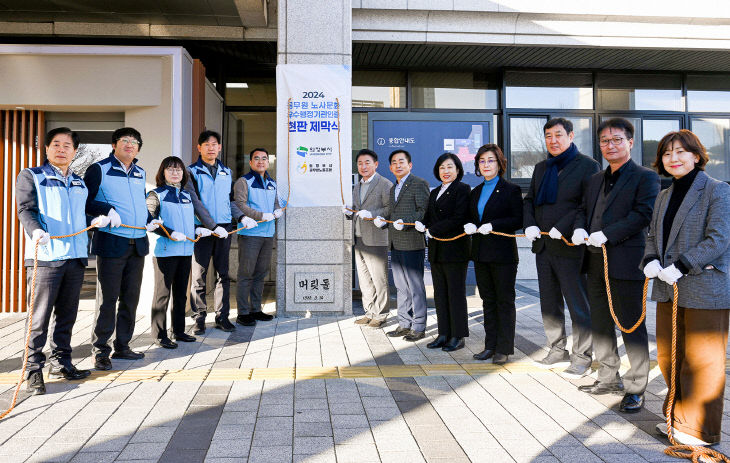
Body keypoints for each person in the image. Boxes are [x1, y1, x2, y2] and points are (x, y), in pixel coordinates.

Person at [642, 129, 730, 446]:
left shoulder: (718, 190)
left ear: (696, 155)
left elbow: (719, 238)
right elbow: (652, 234)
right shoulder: (664, 195)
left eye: (680, 152)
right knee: (669, 356)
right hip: (669, 288)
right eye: (667, 153)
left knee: (703, 361)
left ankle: (700, 431)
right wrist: (650, 259)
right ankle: (676, 419)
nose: (673, 158)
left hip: (705, 287)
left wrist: (682, 264)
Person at [572, 118, 659, 413]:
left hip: (625, 261)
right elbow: (583, 211)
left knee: (631, 326)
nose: (611, 145)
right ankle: (608, 377)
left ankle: (637, 387)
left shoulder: (645, 177)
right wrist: (579, 228)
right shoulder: (595, 179)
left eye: (617, 140)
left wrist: (608, 234)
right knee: (600, 323)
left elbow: (642, 214)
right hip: (594, 261)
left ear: (630, 142)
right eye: (605, 141)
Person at [15, 127, 94, 394]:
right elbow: (26, 208)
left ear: (74, 151)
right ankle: (33, 370)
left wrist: (102, 215)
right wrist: (35, 230)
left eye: (67, 145)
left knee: (67, 316)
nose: (62, 149)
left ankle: (61, 362)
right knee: (39, 318)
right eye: (56, 144)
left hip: (75, 257)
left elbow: (88, 208)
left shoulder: (79, 181)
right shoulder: (32, 176)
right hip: (46, 258)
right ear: (47, 148)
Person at [524, 117, 599, 378]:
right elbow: (530, 200)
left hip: (570, 247)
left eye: (558, 135)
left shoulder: (588, 166)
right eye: (548, 136)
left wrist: (564, 226)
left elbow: (586, 204)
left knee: (578, 303)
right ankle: (557, 349)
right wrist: (529, 224)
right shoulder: (541, 167)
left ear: (570, 135)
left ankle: (582, 356)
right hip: (544, 246)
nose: (553, 141)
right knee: (549, 302)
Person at [84, 127, 162, 370]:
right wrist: (106, 210)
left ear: (139, 148)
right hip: (111, 242)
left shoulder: (140, 172)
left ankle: (123, 345)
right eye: (124, 140)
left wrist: (149, 218)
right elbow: (85, 201)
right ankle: (100, 351)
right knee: (108, 299)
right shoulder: (99, 169)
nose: (130, 145)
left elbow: (139, 202)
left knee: (130, 298)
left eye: (135, 142)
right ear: (114, 144)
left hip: (137, 243)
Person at [185, 130, 251, 335]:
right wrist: (212, 226)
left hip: (225, 228)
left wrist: (241, 217)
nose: (211, 147)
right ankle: (199, 319)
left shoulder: (226, 171)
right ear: (199, 148)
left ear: (220, 147)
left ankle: (222, 317)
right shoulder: (190, 171)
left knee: (224, 274)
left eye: (214, 144)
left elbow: (230, 201)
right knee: (199, 276)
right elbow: (194, 202)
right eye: (206, 144)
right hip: (203, 230)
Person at [464, 144, 523, 364]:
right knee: (487, 301)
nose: (486, 164)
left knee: (504, 302)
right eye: (482, 161)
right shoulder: (476, 191)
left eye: (491, 160)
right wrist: (469, 224)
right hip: (480, 254)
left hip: (503, 255)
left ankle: (504, 348)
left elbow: (517, 220)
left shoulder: (511, 189)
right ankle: (490, 345)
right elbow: (470, 217)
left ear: (499, 163)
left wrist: (494, 224)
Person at [147, 157, 209, 349]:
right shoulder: (155, 194)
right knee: (162, 295)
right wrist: (170, 233)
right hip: (165, 252)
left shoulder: (186, 195)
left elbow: (190, 220)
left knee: (181, 294)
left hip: (185, 251)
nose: (175, 173)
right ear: (162, 172)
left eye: (179, 170)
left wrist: (197, 229)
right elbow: (150, 221)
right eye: (171, 169)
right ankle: (159, 335)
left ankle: (179, 331)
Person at [415, 153, 470, 352]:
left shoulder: (463, 189)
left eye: (449, 167)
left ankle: (458, 335)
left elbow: (459, 218)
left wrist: (433, 229)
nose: (445, 171)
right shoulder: (435, 191)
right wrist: (422, 224)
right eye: (442, 168)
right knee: (440, 294)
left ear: (457, 170)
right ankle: (443, 333)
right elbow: (429, 216)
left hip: (455, 250)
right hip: (437, 249)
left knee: (455, 293)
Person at [374, 149, 430, 342]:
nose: (398, 165)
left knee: (415, 287)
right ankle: (404, 323)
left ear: (410, 165)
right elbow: (393, 214)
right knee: (401, 286)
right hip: (395, 243)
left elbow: (424, 211)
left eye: (401, 162)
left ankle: (419, 326)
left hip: (412, 242)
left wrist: (405, 221)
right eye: (394, 163)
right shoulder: (393, 188)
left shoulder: (419, 184)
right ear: (390, 167)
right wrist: (383, 220)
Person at [233, 148, 283, 326]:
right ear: (251, 162)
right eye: (257, 159)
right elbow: (239, 204)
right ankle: (243, 312)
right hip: (250, 234)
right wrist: (260, 215)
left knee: (260, 273)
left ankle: (255, 309)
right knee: (246, 274)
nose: (261, 162)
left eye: (264, 159)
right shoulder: (244, 181)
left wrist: (277, 210)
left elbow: (277, 202)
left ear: (268, 162)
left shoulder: (272, 183)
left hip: (267, 234)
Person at [344, 149, 393, 328]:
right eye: (360, 164)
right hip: (358, 238)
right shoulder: (358, 185)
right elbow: (358, 209)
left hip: (376, 239)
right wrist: (350, 213)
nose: (363, 167)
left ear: (376, 164)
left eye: (367, 163)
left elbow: (389, 210)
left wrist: (371, 214)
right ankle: (369, 312)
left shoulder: (385, 184)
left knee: (379, 279)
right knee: (364, 279)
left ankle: (381, 315)